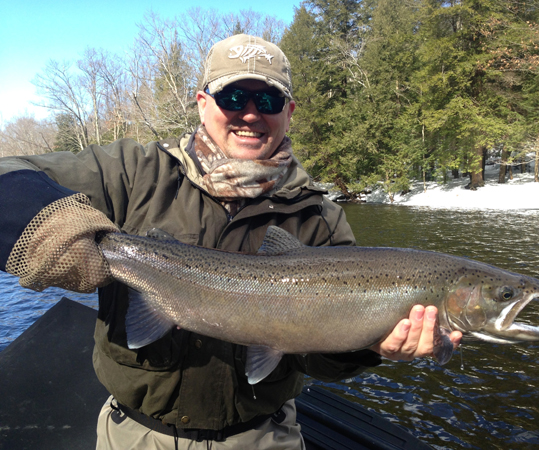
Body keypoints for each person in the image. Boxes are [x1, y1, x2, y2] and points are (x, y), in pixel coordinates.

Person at [0, 35, 461, 449]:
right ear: (202, 103)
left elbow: (320, 363)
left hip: (263, 437)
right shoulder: (131, 173)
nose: (250, 113)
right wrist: (50, 228)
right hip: (134, 434)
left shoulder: (318, 216)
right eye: (233, 96)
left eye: (269, 99)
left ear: (289, 112)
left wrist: (368, 345)